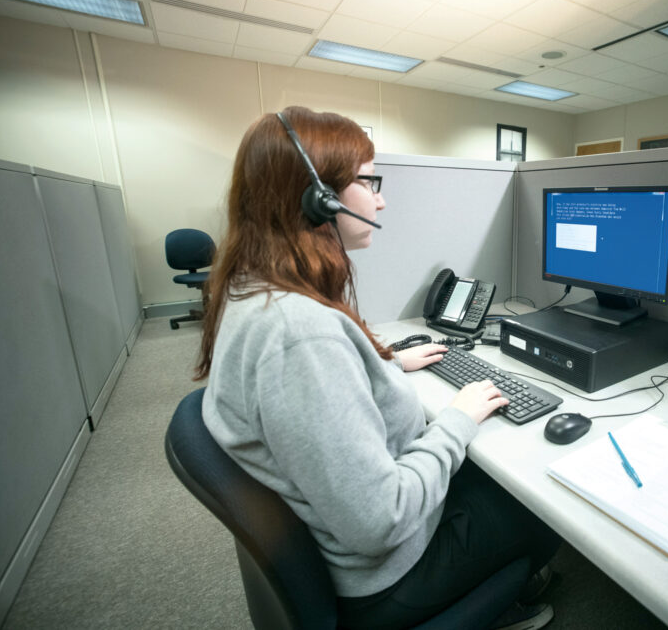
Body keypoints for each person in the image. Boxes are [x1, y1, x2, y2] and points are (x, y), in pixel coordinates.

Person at [196, 106, 561, 630]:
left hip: (345, 541)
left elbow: (320, 399)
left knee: (488, 469)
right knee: (536, 495)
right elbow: (379, 521)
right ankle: (495, 601)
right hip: (387, 575)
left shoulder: (255, 288)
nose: (381, 198)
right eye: (370, 181)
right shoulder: (300, 334)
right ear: (317, 198)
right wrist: (458, 417)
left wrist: (383, 363)